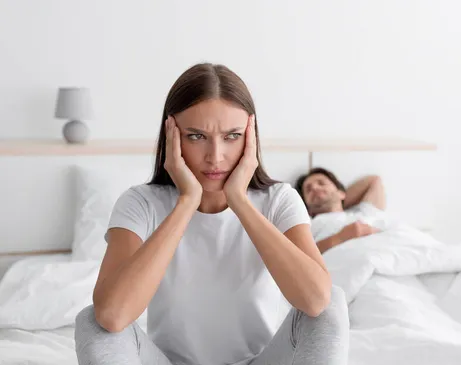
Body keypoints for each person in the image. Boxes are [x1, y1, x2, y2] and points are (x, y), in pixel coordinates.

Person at [74, 64, 349, 365]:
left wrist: (239, 202)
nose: (215, 156)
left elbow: (315, 300)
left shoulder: (279, 200)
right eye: (196, 136)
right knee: (93, 320)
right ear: (172, 135)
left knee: (331, 303)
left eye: (232, 136)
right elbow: (113, 315)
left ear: (250, 137)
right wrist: (187, 202)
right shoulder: (140, 203)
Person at [295, 167, 388, 254]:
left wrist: (337, 199)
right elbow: (299, 257)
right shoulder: (309, 225)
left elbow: (374, 180)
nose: (315, 188)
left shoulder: (362, 213)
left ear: (341, 193)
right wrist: (340, 237)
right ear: (307, 208)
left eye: (321, 183)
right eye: (308, 190)